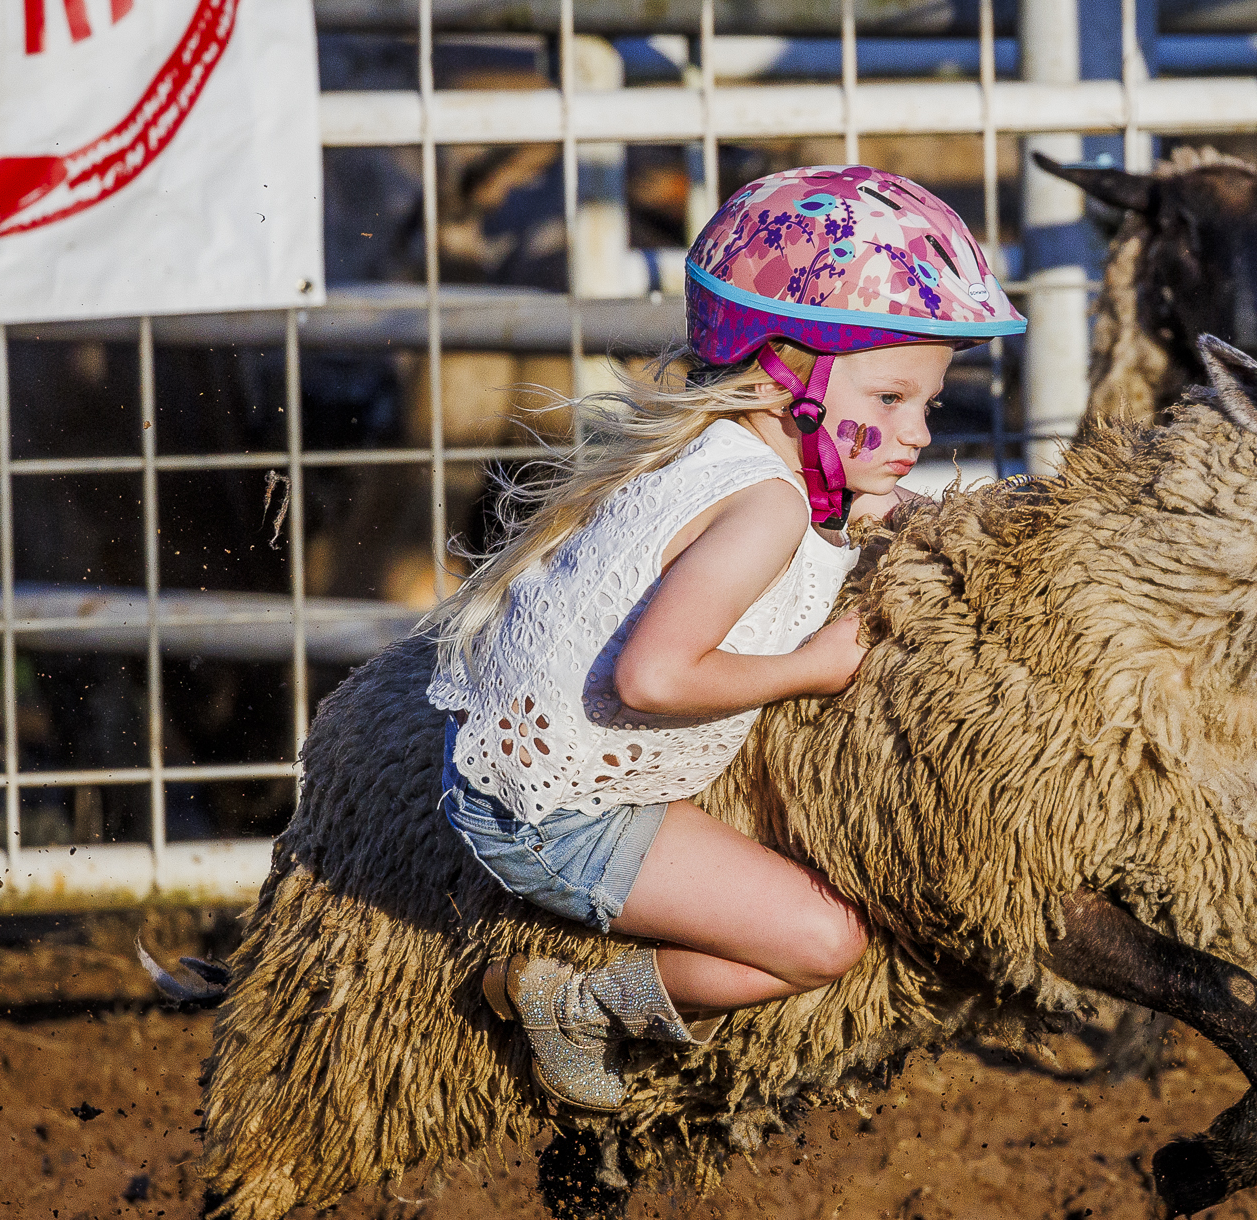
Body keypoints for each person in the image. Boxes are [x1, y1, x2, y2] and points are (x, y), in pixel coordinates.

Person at [423, 166, 1024, 1110]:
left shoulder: (738, 454)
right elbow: (654, 678)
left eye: (928, 406)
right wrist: (811, 669)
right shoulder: (765, 507)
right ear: (788, 377)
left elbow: (861, 511)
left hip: (535, 767)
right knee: (822, 943)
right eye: (890, 400)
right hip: (556, 816)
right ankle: (574, 1005)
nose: (915, 432)